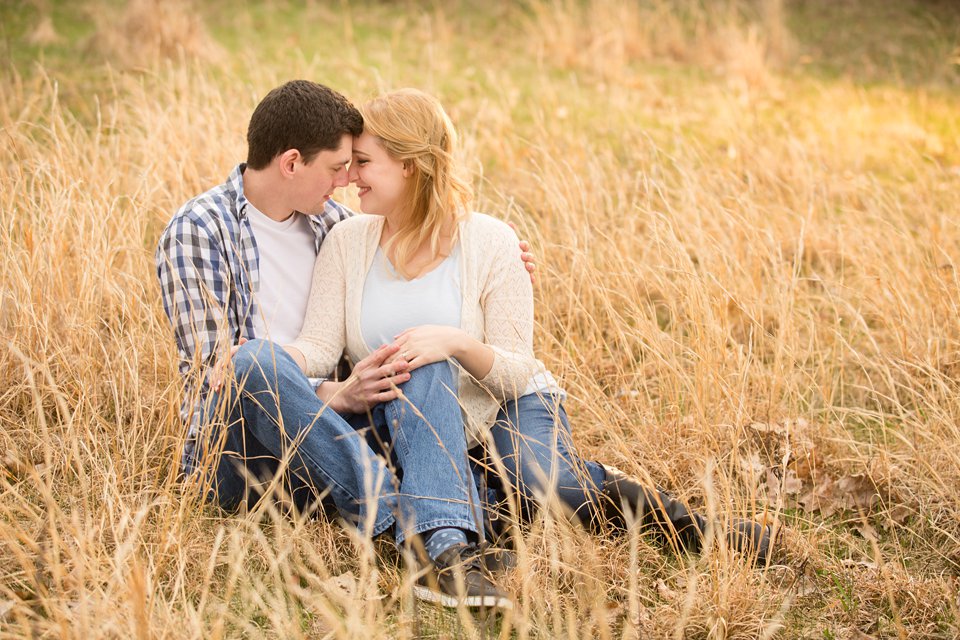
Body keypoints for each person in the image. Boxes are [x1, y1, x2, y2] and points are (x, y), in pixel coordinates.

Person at [286, 89, 773, 587]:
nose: (349, 178)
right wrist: (263, 357)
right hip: (413, 416)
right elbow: (319, 349)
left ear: (410, 165)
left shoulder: (491, 242)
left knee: (548, 485)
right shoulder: (347, 243)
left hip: (504, 401)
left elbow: (517, 367)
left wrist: (454, 343)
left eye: (364, 163)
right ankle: (474, 508)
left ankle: (694, 527)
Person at [155, 80, 532, 610]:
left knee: (417, 354)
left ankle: (443, 546)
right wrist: (335, 393)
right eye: (338, 168)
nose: (348, 179)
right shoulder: (199, 230)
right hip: (241, 450)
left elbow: (415, 233)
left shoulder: (335, 225)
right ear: (291, 163)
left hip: (330, 442)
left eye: (355, 166)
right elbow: (215, 374)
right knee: (252, 358)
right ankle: (417, 514)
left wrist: (501, 256)